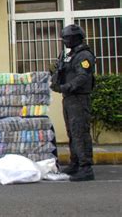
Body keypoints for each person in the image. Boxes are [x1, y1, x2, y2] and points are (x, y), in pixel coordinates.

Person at [50, 24, 96, 182]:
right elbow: (62, 71)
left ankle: (86, 167)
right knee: (71, 132)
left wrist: (67, 86)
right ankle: (75, 162)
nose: (65, 41)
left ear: (76, 38)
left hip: (78, 98)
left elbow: (82, 76)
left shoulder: (84, 56)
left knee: (80, 132)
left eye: (67, 38)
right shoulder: (69, 55)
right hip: (69, 98)